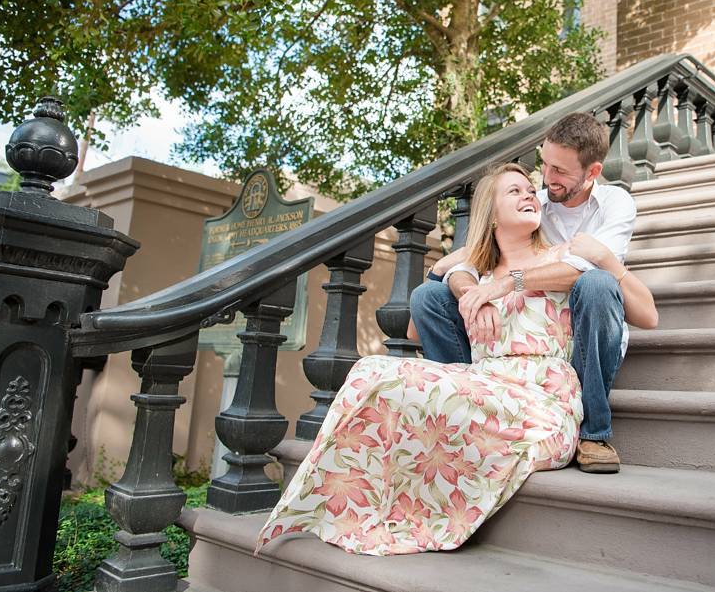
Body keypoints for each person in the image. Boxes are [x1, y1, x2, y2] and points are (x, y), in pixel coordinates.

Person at [255, 164, 657, 557]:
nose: (529, 195)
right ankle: (344, 504)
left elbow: (637, 308)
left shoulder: (565, 255)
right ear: (490, 213)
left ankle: (400, 505)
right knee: (372, 369)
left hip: (543, 398)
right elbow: (415, 329)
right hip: (486, 383)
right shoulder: (473, 273)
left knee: (404, 386)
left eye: (528, 189)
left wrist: (506, 285)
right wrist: (464, 289)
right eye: (513, 191)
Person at [411, 112, 643, 473]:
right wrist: (473, 291)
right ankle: (451, 410)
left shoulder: (615, 205)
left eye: (560, 171)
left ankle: (594, 432)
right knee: (426, 300)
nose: (545, 181)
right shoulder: (536, 201)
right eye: (544, 165)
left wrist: (506, 284)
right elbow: (466, 258)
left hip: (584, 337)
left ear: (592, 172)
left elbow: (588, 269)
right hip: (498, 372)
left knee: (597, 285)